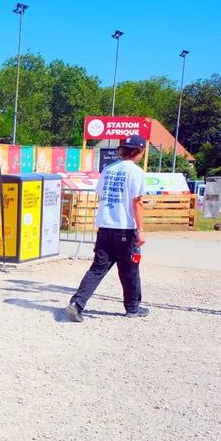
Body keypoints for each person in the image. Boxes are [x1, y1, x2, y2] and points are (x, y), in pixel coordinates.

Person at [66, 134, 151, 322]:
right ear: (139, 151)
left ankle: (76, 303)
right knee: (129, 269)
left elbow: (100, 194)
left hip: (105, 226)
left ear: (122, 149)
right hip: (124, 227)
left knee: (97, 269)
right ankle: (132, 308)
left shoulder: (108, 169)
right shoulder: (136, 172)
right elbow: (137, 203)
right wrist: (141, 229)